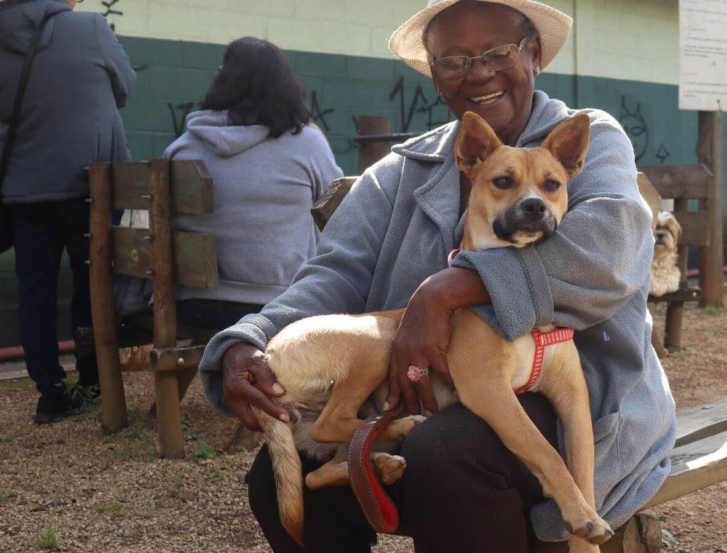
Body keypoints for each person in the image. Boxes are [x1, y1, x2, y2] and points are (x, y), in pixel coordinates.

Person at [198, 1, 676, 551]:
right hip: (430, 395)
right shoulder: (397, 175)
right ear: (434, 73)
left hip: (578, 395)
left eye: (498, 52)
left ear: (535, 54)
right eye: (453, 60)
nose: (478, 72)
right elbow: (332, 275)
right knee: (271, 482)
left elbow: (609, 253)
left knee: (444, 458)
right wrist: (249, 340)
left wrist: (447, 290)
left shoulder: (589, 141)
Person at [0, 0, 135, 423]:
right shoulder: (91, 28)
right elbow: (124, 89)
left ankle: (50, 392)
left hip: (25, 190)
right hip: (89, 187)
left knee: (35, 293)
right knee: (92, 284)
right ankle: (91, 383)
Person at [163, 37, 343, 330]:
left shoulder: (183, 147)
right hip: (283, 305)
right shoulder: (307, 143)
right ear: (285, 84)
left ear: (222, 81)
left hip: (195, 306)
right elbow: (339, 210)